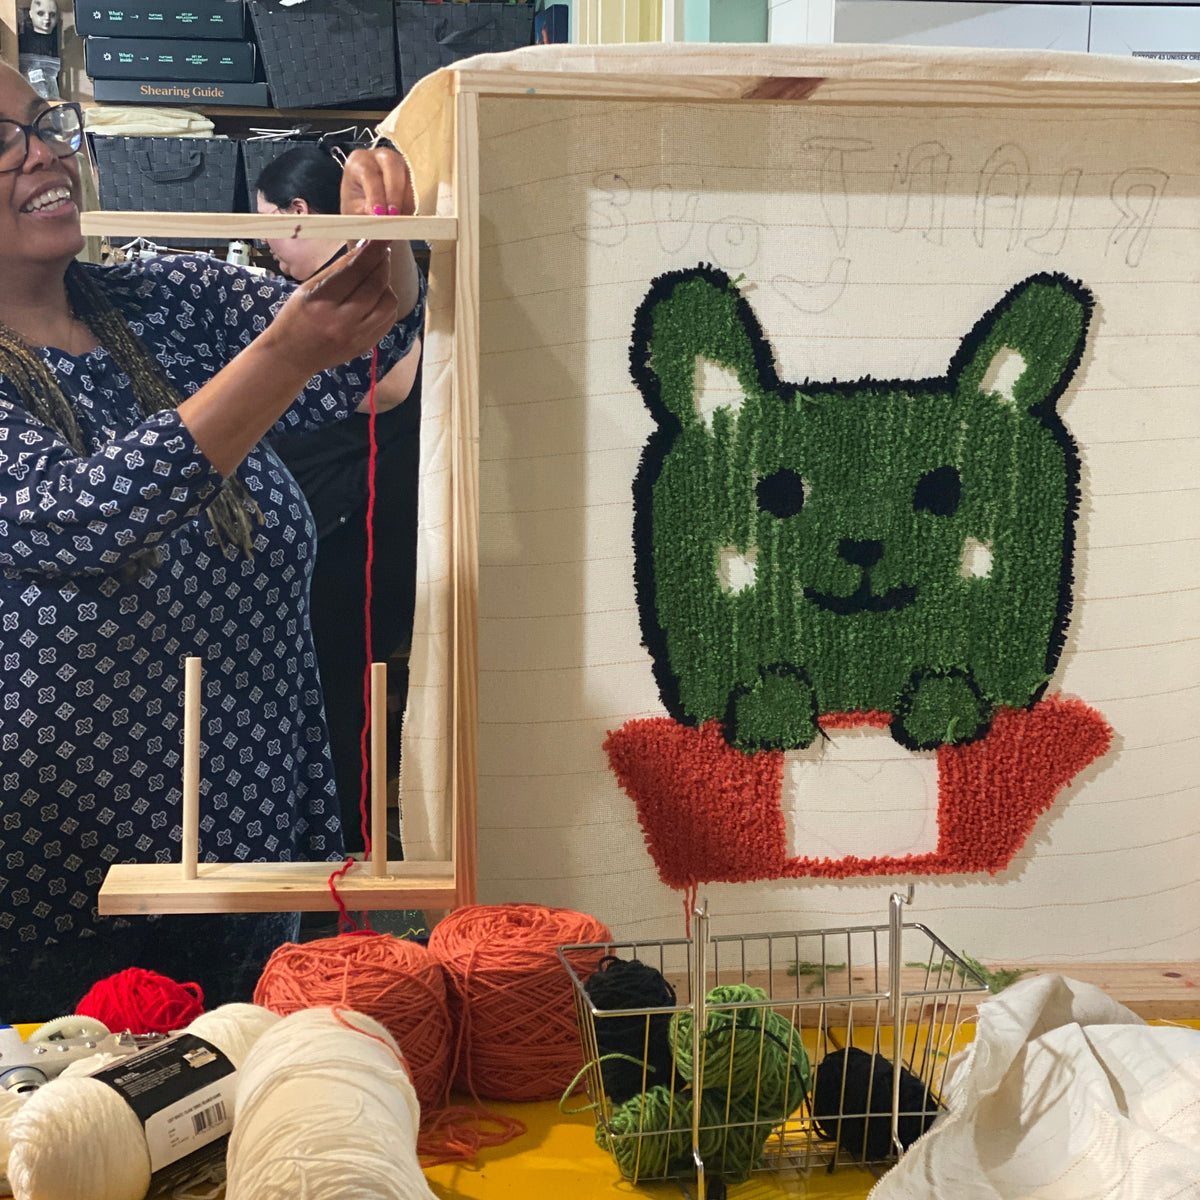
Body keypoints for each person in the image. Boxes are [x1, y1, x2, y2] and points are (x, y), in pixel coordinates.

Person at [0, 63, 424, 1019]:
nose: (46, 151)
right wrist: (282, 353)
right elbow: (82, 516)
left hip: (251, 838)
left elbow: (375, 351)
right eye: (3, 140)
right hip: (59, 879)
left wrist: (382, 244)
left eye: (46, 122)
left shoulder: (166, 299)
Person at [256, 143, 421, 855]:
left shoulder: (371, 295)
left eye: (266, 226)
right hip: (325, 529)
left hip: (354, 533)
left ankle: (349, 842)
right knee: (323, 686)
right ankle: (332, 834)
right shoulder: (321, 296)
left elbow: (389, 385)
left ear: (298, 214)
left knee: (342, 688)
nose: (269, 250)